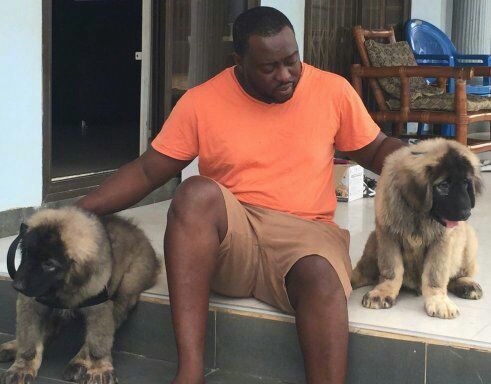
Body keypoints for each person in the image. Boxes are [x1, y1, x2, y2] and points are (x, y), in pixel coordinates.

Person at [77, 6, 404, 384]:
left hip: (306, 233)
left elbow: (376, 150)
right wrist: (79, 211)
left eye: (292, 61)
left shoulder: (332, 90)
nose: (285, 76)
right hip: (234, 237)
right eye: (269, 68)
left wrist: (425, 163)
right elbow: (148, 170)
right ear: (240, 62)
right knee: (194, 193)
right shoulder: (202, 101)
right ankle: (190, 374)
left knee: (321, 274)